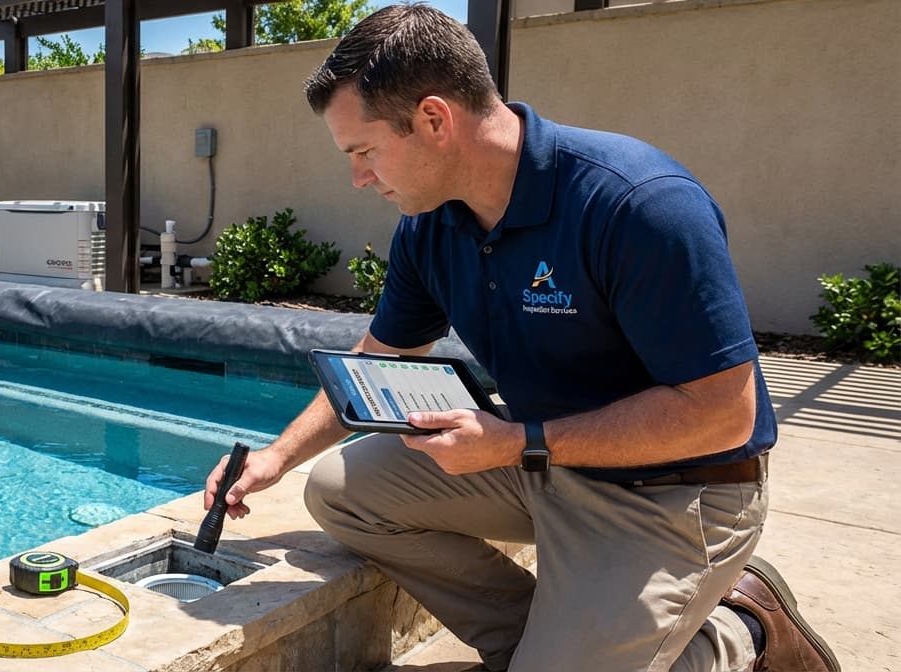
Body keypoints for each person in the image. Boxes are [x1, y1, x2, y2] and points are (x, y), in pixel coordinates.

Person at [203, 4, 840, 671]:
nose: (359, 176)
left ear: (433, 120)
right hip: (541, 464)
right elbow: (380, 360)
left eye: (363, 151)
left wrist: (518, 442)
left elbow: (721, 415)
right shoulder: (431, 225)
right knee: (340, 490)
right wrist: (276, 457)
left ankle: (739, 628)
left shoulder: (637, 204)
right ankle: (534, 646)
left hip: (675, 494)